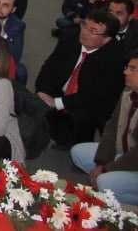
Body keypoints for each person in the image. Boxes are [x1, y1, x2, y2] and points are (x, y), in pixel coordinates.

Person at [36, 9, 126, 149]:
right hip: (63, 90)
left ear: (106, 39)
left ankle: (82, 147)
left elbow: (96, 94)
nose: (84, 32)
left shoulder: (116, 58)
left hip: (92, 102)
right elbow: (49, 67)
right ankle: (63, 138)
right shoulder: (69, 38)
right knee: (38, 102)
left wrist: (57, 102)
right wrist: (42, 92)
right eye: (84, 25)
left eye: (93, 31)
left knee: (82, 117)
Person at [71, 48, 138, 206]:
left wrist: (107, 169)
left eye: (133, 69)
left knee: (105, 182)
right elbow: (112, 126)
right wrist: (102, 162)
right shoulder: (128, 92)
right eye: (127, 67)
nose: (126, 72)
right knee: (78, 152)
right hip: (125, 152)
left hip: (134, 160)